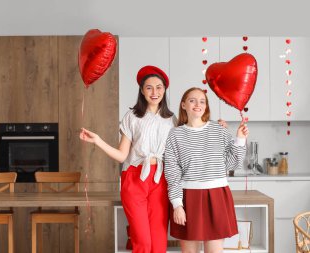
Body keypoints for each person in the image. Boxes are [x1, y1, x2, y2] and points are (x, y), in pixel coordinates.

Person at [80, 65, 175, 253]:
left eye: (159, 87)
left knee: (158, 244)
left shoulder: (172, 119)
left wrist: (216, 126)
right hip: (135, 178)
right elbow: (122, 155)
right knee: (143, 243)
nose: (154, 92)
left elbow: (192, 134)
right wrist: (98, 141)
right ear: (141, 90)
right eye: (149, 87)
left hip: (161, 180)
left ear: (164, 90)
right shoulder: (132, 117)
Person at [164, 87, 249, 253]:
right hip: (188, 198)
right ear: (183, 105)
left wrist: (240, 139)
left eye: (202, 101)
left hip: (217, 196)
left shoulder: (219, 130)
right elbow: (172, 172)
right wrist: (177, 205)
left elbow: (232, 164)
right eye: (192, 100)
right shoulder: (175, 135)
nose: (198, 104)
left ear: (206, 106)